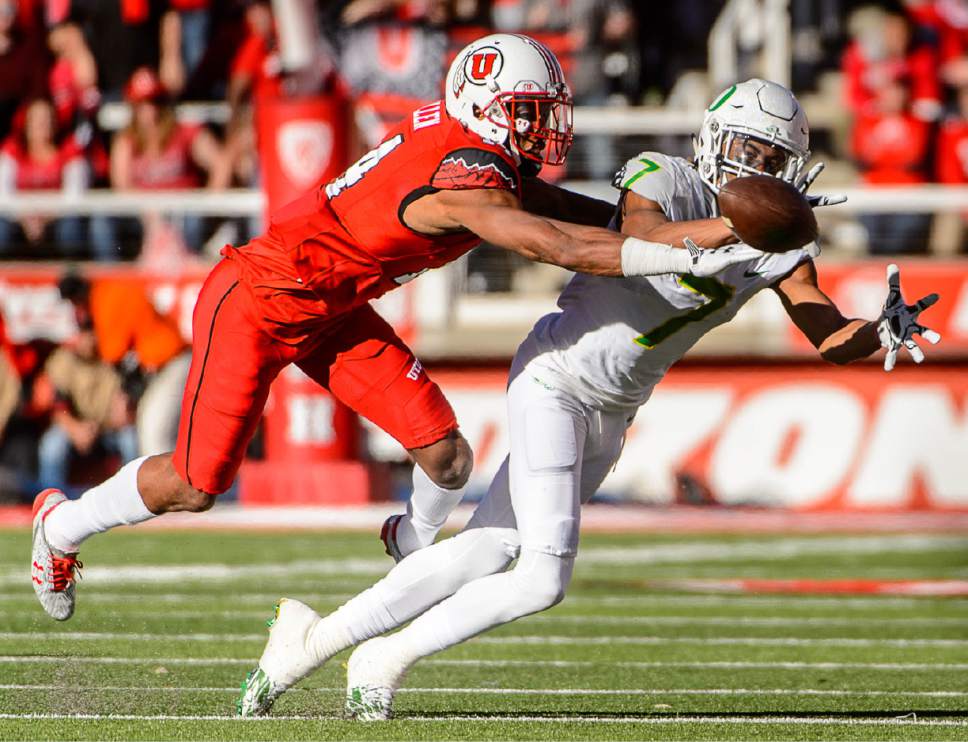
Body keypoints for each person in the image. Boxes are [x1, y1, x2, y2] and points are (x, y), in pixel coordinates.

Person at [235, 79, 943, 720]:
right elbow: (645, 236)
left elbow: (823, 327)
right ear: (715, 144)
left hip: (614, 411)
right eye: (749, 148)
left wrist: (877, 329)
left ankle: (307, 640)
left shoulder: (780, 250)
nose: (757, 167)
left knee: (484, 550)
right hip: (556, 379)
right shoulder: (662, 175)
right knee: (541, 578)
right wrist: (736, 228)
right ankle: (382, 660)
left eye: (771, 157)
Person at [30, 33, 754, 623]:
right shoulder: (462, 181)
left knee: (447, 458)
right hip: (257, 297)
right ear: (487, 107)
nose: (542, 126)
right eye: (529, 111)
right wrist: (681, 242)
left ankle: (411, 541)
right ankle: (60, 526)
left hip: (333, 309)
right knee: (195, 484)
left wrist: (647, 216)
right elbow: (549, 242)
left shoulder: (478, 152)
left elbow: (548, 202)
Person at [56, 271, 191, 458]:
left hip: (173, 365)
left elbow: (118, 357)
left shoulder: (104, 300)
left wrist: (125, 396)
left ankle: (169, 487)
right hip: (171, 365)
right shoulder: (108, 291)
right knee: (155, 435)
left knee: (154, 436)